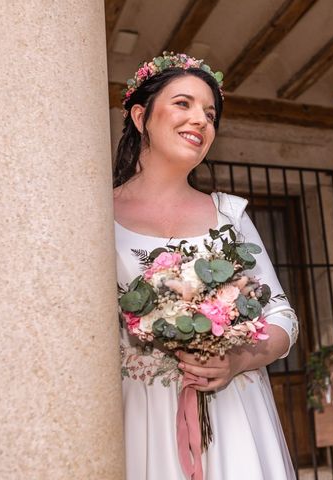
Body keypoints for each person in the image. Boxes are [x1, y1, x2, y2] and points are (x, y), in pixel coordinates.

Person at [113, 52, 299, 480]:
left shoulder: (229, 216)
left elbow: (283, 318)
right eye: (183, 103)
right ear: (141, 116)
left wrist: (234, 361)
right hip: (142, 415)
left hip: (232, 412)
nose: (201, 120)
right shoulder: (97, 216)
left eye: (210, 114)